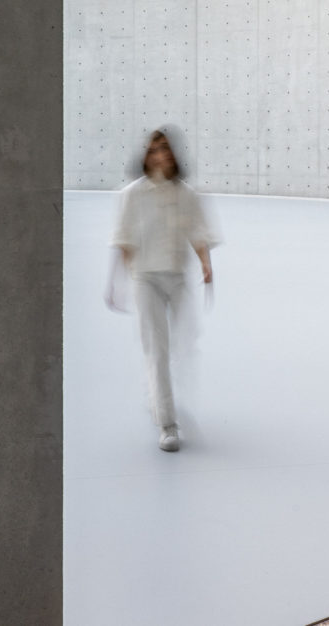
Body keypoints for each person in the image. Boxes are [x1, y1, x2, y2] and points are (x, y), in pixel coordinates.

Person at [111, 129, 218, 452]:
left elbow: (197, 231)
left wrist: (205, 263)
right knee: (157, 352)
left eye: (166, 149)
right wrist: (115, 282)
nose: (161, 155)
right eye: (155, 150)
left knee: (184, 345)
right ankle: (168, 425)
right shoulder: (131, 194)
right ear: (147, 155)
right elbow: (123, 239)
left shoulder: (186, 194)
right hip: (145, 280)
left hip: (178, 279)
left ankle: (155, 394)